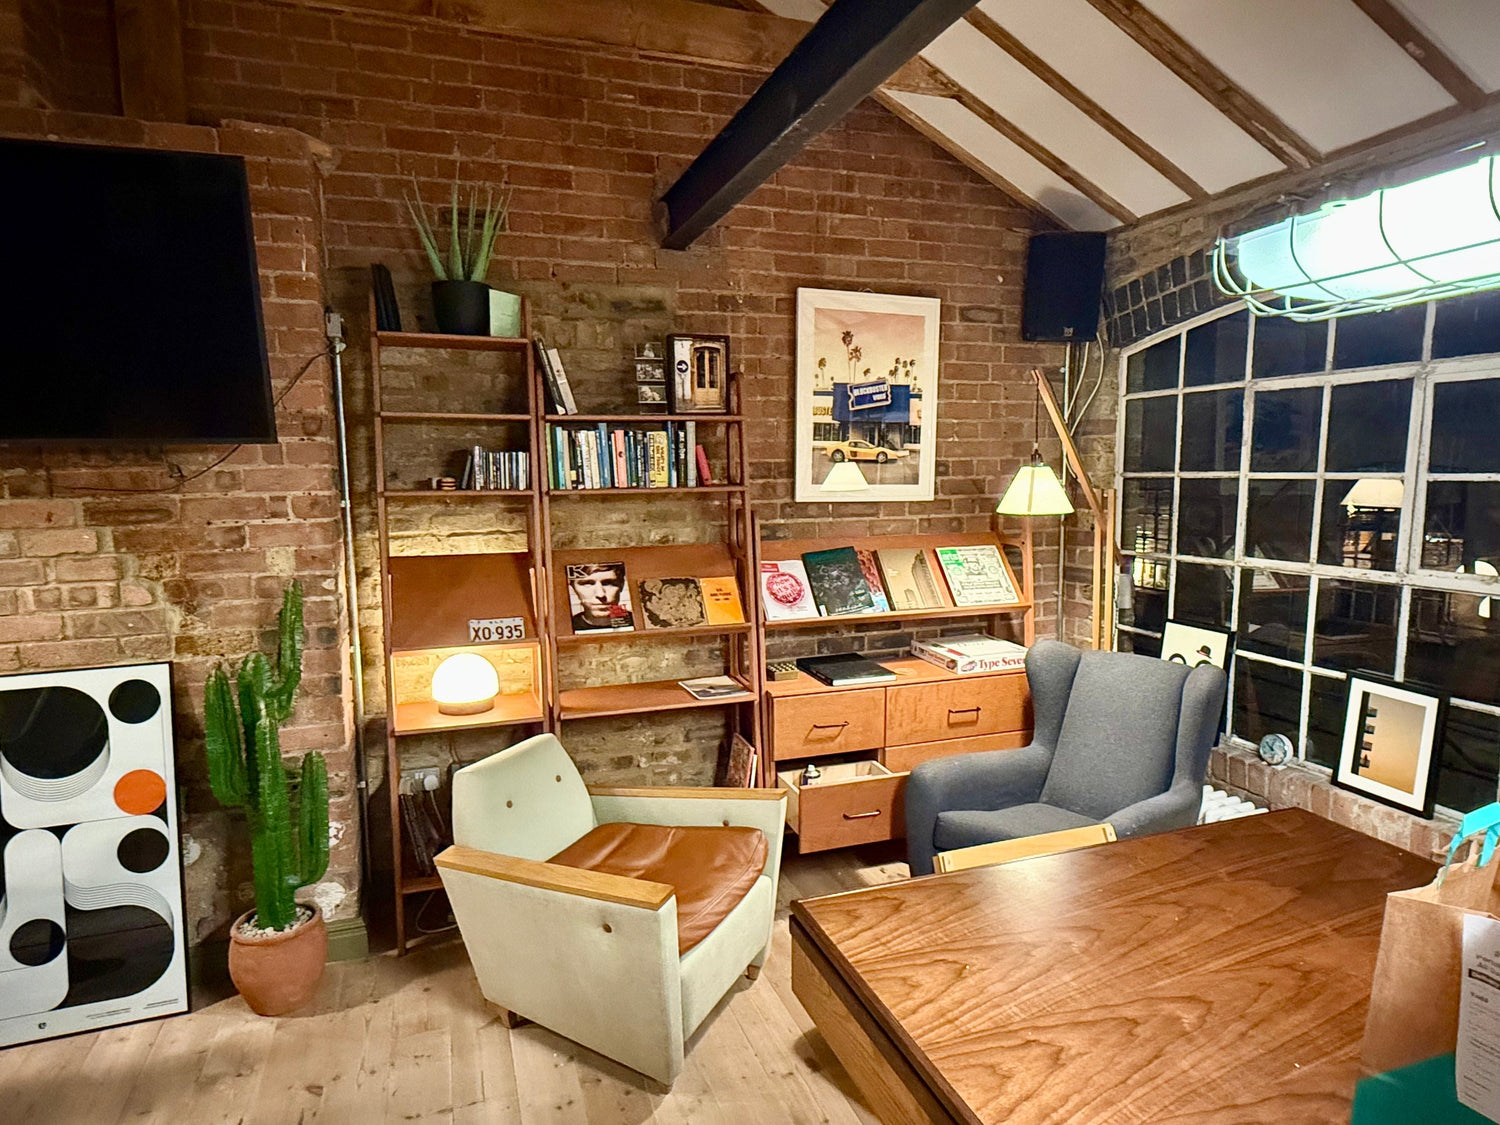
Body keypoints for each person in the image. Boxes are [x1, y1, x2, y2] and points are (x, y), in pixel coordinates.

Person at [568, 563, 633, 631]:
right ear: (573, 588)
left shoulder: (638, 621)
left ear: (622, 585)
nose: (600, 594)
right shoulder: (567, 627)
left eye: (608, 583)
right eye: (588, 583)